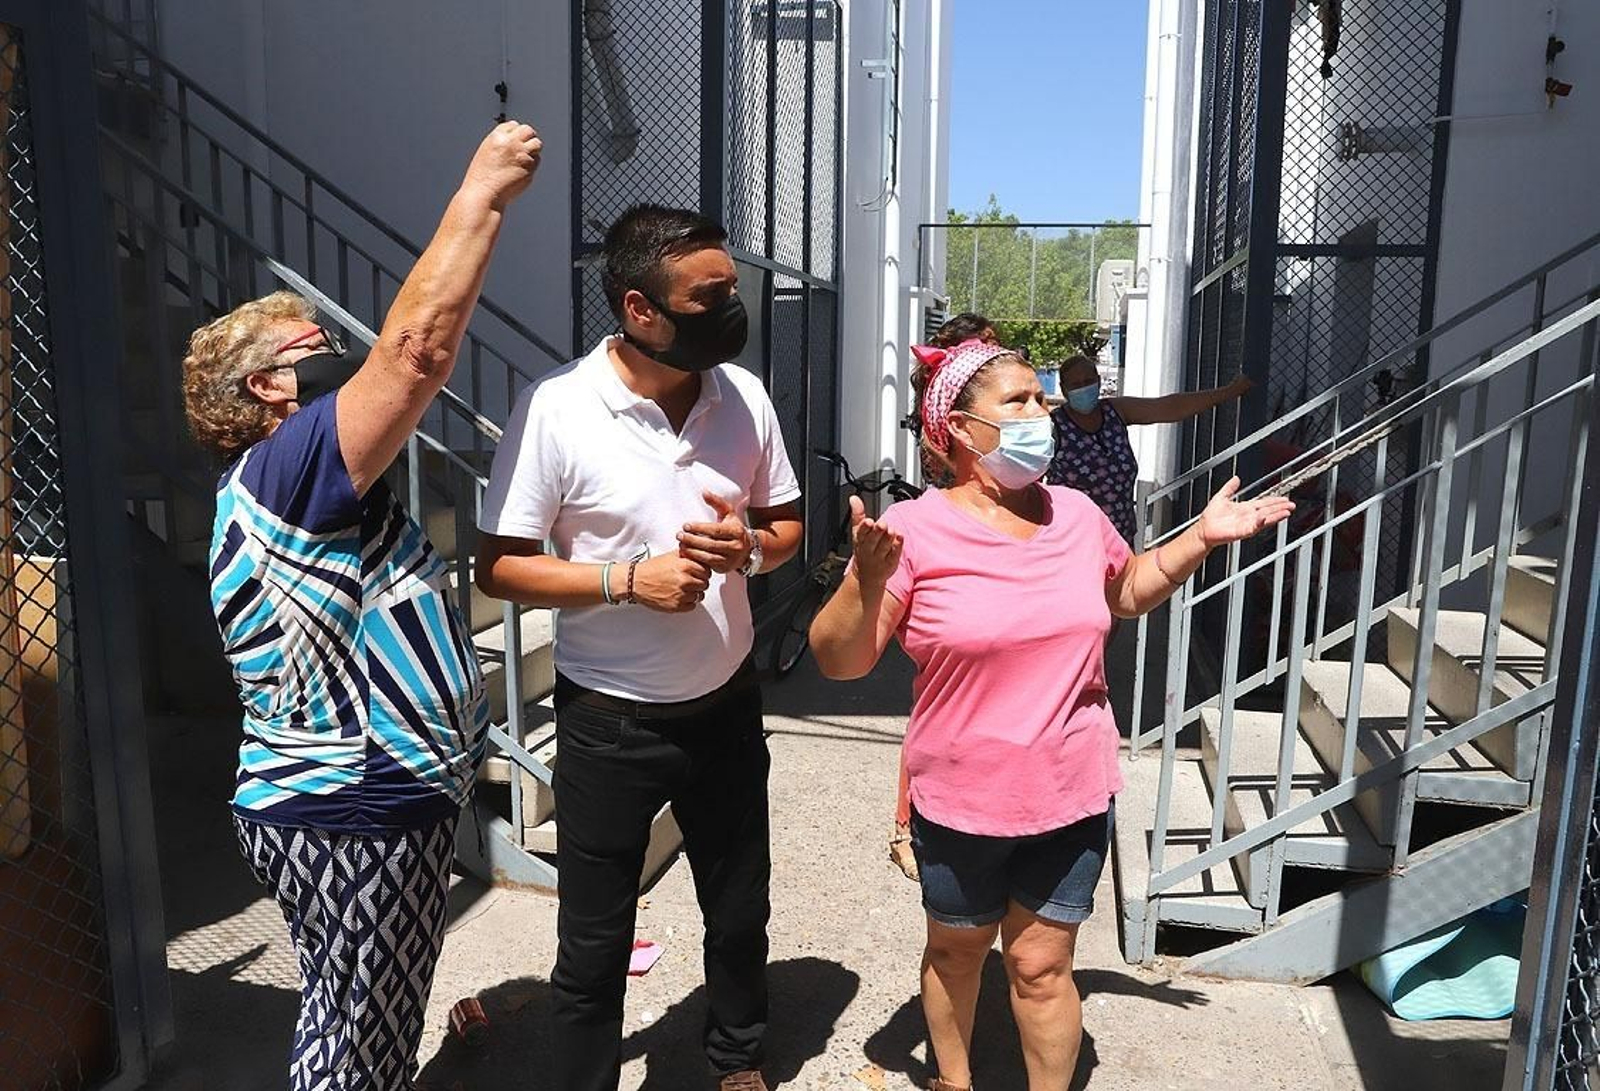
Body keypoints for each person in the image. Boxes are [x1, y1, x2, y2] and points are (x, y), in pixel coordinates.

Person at [806, 338, 1291, 1091]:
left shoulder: (1077, 512)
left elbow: (1125, 589)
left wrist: (1199, 537)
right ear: (960, 431)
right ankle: (954, 1080)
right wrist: (862, 582)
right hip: (962, 799)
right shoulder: (916, 530)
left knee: (1041, 965)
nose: (1044, 413)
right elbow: (841, 660)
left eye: (1042, 397)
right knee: (957, 952)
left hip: (1069, 790)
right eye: (1021, 401)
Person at [183, 121, 542, 1089]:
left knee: (346, 1022)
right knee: (358, 1053)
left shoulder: (268, 487)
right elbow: (416, 349)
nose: (343, 353)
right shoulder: (287, 465)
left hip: (335, 799)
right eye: (315, 344)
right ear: (265, 384)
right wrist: (482, 195)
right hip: (357, 804)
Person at [475, 204, 805, 1091]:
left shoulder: (743, 397)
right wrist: (631, 580)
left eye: (732, 287)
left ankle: (738, 1057)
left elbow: (786, 527)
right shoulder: (556, 409)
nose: (733, 305)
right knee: (593, 940)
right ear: (639, 308)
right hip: (610, 726)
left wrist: (752, 551)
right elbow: (501, 567)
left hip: (727, 709)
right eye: (712, 294)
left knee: (739, 913)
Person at [1051, 352, 1252, 544]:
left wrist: (1228, 392)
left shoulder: (1114, 411)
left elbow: (1169, 407)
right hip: (1073, 541)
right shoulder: (1055, 426)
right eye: (1075, 385)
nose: (1083, 388)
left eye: (1088, 382)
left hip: (1120, 538)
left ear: (1098, 380)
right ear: (1064, 389)